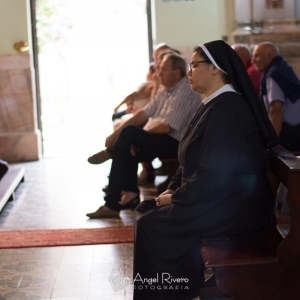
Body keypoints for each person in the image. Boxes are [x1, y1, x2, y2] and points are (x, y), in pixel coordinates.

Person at [133, 40, 279, 300]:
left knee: (150, 225)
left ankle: (170, 293)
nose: (189, 71)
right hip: (216, 197)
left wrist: (176, 198)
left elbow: (215, 172)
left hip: (234, 206)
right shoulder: (211, 105)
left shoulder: (228, 109)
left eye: (194, 65)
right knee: (147, 210)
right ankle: (183, 284)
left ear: (215, 69)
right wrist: (171, 189)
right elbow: (190, 159)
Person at [86, 53, 201, 218]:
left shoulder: (184, 91)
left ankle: (116, 191)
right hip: (164, 140)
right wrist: (116, 135)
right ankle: (119, 200)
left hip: (178, 144)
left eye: (162, 70)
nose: (158, 74)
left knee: (128, 134)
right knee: (125, 147)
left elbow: (166, 127)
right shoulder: (166, 90)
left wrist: (136, 137)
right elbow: (143, 114)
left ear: (176, 72)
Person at [252, 41, 300, 150]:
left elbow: (276, 109)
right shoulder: (282, 68)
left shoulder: (274, 74)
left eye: (257, 56)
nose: (253, 60)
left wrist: (273, 143)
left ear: (270, 56)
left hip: (289, 132)